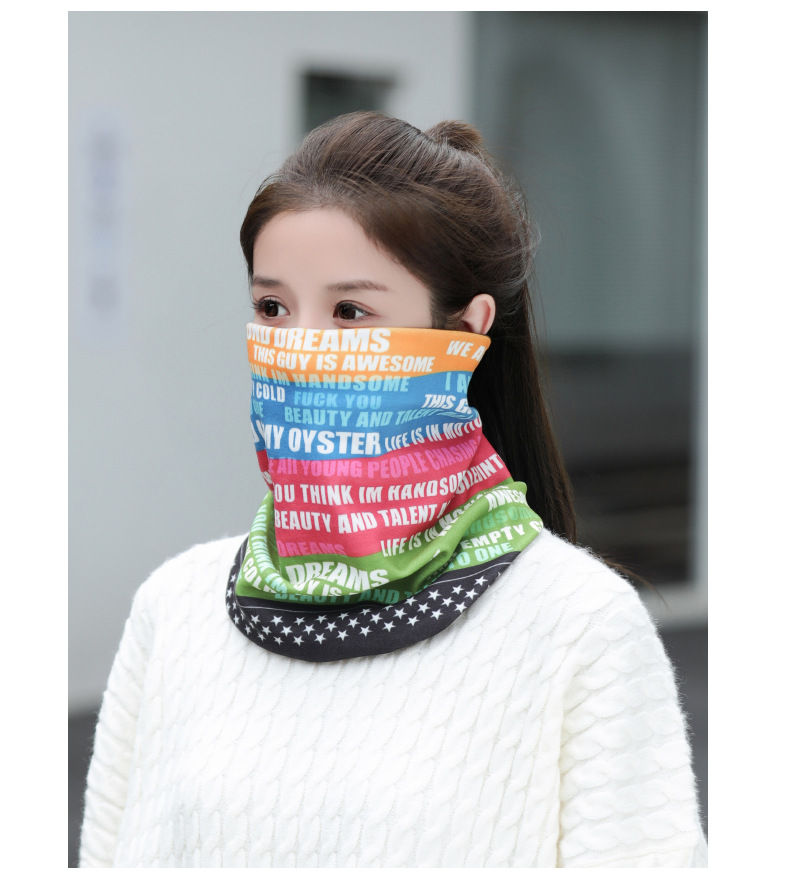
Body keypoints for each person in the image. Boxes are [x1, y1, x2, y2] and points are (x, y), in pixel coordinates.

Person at [79, 112, 707, 867]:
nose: (299, 348)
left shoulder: (579, 627)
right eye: (273, 307)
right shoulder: (173, 609)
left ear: (466, 330)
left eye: (350, 312)